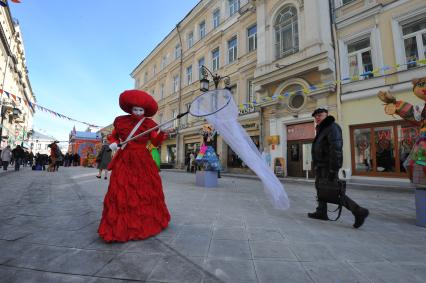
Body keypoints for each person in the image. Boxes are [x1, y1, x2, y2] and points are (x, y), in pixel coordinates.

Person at [98, 89, 171, 242]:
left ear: (145, 111)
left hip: (143, 160)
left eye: (141, 110)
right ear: (131, 108)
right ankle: (120, 224)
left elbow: (155, 142)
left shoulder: (150, 124)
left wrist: (162, 133)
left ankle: (147, 221)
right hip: (125, 158)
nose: (138, 112)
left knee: (145, 189)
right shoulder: (120, 121)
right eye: (135, 109)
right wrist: (114, 143)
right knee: (122, 187)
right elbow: (114, 136)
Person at [309, 108, 369, 228]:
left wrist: (333, 169)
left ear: (327, 115)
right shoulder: (322, 129)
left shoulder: (332, 127)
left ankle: (358, 211)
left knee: (334, 191)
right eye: (316, 116)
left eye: (320, 115)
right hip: (321, 166)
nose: (317, 118)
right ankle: (321, 211)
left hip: (328, 166)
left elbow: (336, 149)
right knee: (320, 188)